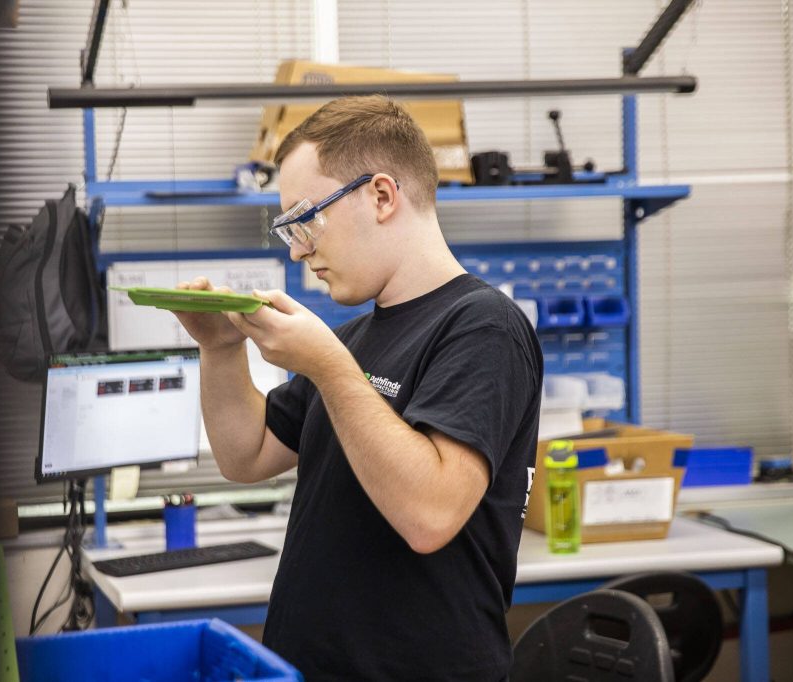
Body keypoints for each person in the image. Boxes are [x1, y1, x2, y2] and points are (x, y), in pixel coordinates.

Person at [173, 95, 542, 680]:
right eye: (286, 228)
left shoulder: (483, 326)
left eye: (306, 218)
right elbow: (245, 455)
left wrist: (329, 367)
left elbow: (429, 515)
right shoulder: (352, 338)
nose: (297, 249)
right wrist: (221, 348)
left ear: (381, 195)